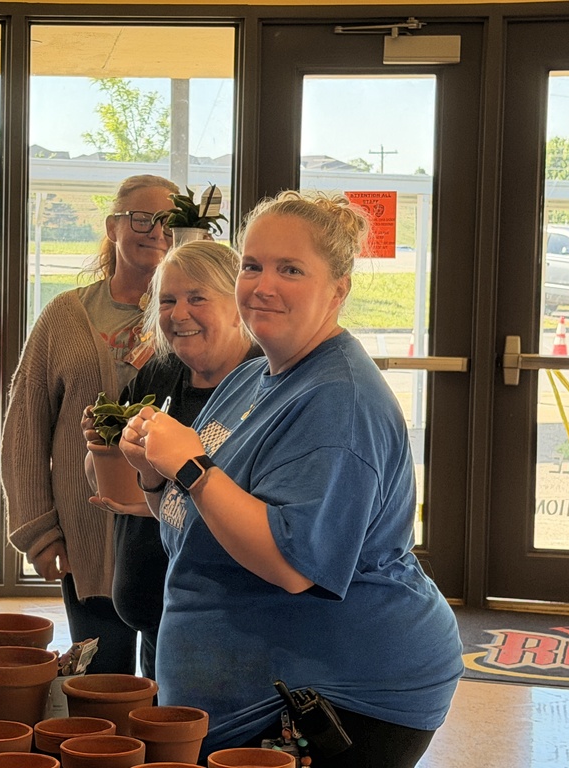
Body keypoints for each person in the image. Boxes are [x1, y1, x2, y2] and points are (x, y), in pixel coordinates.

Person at [120, 191, 463, 766]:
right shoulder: (253, 378)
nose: (263, 285)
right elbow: (202, 522)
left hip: (340, 695)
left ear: (339, 288)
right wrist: (155, 478)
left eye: (291, 270)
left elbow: (292, 563)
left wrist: (189, 466)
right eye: (252, 265)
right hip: (247, 691)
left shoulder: (340, 400)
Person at [1, 173, 180, 674]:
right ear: (112, 226)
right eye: (140, 218)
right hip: (88, 537)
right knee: (102, 685)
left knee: (173, 688)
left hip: (173, 537)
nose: (155, 230)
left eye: (169, 220)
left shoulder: (193, 320)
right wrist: (38, 530)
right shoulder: (66, 315)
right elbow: (25, 429)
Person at [82, 240, 259, 679]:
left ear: (238, 304)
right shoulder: (161, 371)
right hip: (155, 617)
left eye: (197, 298)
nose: (179, 314)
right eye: (168, 300)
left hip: (226, 628)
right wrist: (99, 448)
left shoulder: (263, 383)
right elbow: (102, 474)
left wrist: (150, 496)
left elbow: (258, 513)